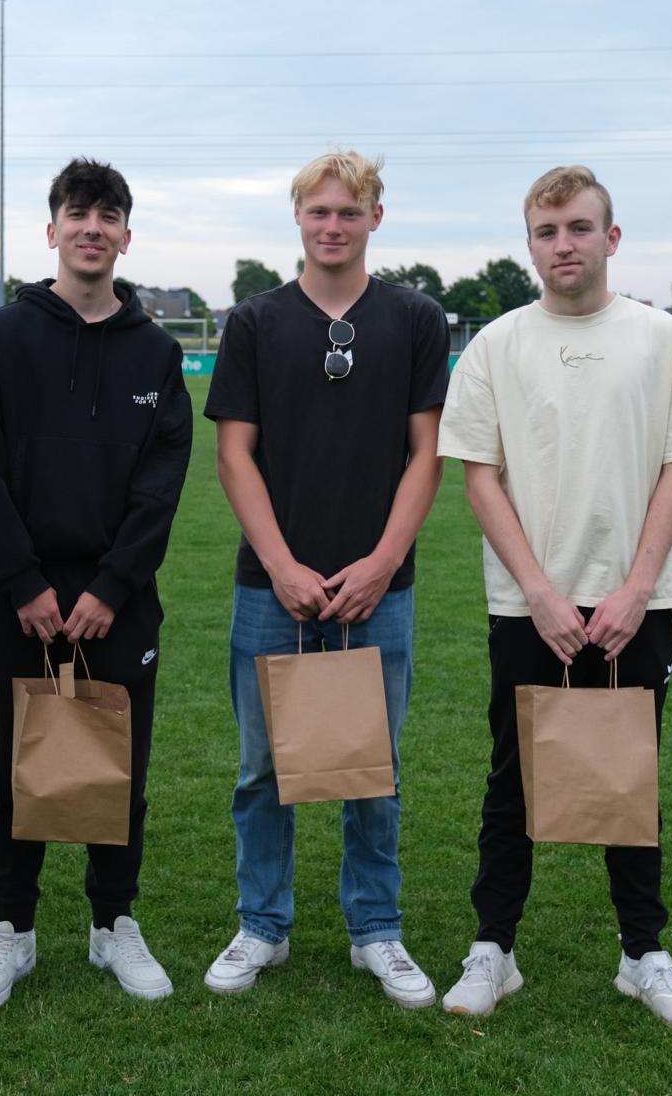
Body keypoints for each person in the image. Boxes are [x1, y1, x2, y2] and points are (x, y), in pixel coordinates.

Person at [435, 165, 672, 1033]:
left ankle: (644, 955)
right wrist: (540, 592)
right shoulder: (496, 346)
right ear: (529, 244)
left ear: (611, 238)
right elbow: (479, 478)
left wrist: (636, 588)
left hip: (638, 605)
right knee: (512, 780)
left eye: (580, 228)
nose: (564, 245)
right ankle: (494, 948)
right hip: (531, 607)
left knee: (630, 776)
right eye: (547, 231)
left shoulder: (663, 338)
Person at [201, 150, 449, 1007]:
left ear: (376, 217)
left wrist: (382, 562)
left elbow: (427, 453)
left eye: (349, 211)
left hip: (381, 590)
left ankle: (376, 930)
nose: (333, 226)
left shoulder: (415, 318)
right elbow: (234, 455)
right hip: (271, 588)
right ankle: (262, 925)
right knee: (262, 770)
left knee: (372, 769)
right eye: (319, 211)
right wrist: (281, 566)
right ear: (298, 218)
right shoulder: (255, 322)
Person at [0, 158, 193, 1009]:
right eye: (78, 213)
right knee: (13, 764)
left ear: (126, 236)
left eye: (109, 215)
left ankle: (112, 923)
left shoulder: (158, 353)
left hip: (115, 602)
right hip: (12, 596)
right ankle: (12, 929)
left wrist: (113, 586)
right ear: (52, 230)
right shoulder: (1, 338)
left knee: (116, 766)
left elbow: (161, 486)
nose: (93, 227)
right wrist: (22, 582)